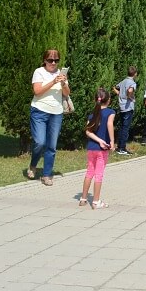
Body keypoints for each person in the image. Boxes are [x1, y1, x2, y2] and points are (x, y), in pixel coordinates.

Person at [29, 49, 70, 186]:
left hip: (56, 113)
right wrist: (53, 82)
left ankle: (47, 174)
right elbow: (37, 91)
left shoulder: (61, 74)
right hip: (39, 110)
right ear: (45, 60)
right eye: (50, 60)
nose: (53, 63)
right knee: (40, 142)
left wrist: (63, 83)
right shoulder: (39, 72)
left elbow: (67, 93)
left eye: (56, 60)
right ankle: (33, 165)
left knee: (51, 146)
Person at [80, 87, 115, 209]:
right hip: (102, 150)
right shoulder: (110, 112)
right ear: (109, 100)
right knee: (99, 174)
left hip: (91, 148)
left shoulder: (92, 114)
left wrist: (98, 140)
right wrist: (111, 141)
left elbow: (88, 132)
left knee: (89, 172)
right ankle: (96, 201)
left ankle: (83, 198)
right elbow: (110, 124)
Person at [113, 65, 137, 155]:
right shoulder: (132, 83)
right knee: (125, 128)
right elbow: (130, 90)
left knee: (122, 126)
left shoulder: (123, 81)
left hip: (121, 106)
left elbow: (115, 87)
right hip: (128, 107)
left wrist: (119, 94)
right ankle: (122, 148)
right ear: (135, 74)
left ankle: (119, 146)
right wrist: (129, 96)